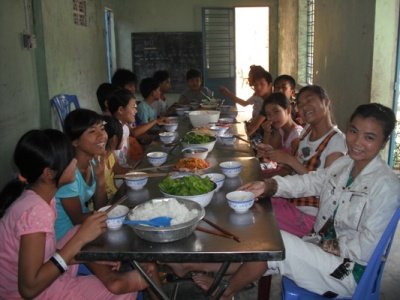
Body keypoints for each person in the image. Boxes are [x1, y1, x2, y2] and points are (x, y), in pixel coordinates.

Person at [167, 103, 400, 299]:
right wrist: (268, 186)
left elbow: (367, 249)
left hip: (348, 271)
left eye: (369, 137)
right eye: (353, 131)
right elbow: (308, 182)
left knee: (275, 244)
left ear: (384, 141)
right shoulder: (343, 165)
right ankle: (191, 268)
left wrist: (322, 247)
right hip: (321, 247)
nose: (357, 142)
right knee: (268, 252)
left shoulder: (386, 186)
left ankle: (225, 292)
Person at [0, 129, 146, 299]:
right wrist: (81, 239)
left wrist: (87, 257)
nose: (76, 162)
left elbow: (44, 253)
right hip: (31, 293)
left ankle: (110, 276)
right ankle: (119, 282)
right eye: (71, 160)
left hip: (38, 278)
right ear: (49, 173)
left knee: (78, 229)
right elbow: (28, 288)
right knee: (126, 291)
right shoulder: (36, 212)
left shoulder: (40, 198)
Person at [257, 85, 347, 236]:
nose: (304, 107)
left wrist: (290, 160)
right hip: (291, 200)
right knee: (252, 201)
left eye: (309, 100)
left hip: (310, 216)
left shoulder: (337, 141)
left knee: (257, 217)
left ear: (326, 102)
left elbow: (326, 186)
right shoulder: (306, 133)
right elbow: (290, 170)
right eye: (300, 104)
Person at [55, 109, 109, 240]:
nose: (102, 136)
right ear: (75, 142)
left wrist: (100, 180)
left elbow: (100, 207)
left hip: (82, 230)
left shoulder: (92, 164)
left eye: (102, 128)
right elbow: (77, 219)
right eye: (92, 131)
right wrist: (114, 214)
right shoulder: (69, 174)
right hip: (64, 238)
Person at [260, 92, 303, 175]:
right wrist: (267, 132)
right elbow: (266, 154)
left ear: (288, 110)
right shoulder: (281, 130)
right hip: (279, 171)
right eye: (268, 114)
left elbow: (290, 170)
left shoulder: (297, 135)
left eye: (276, 111)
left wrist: (264, 178)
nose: (272, 117)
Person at [243, 70, 274, 138]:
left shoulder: (271, 102)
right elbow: (254, 124)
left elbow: (255, 126)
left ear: (270, 85)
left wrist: (244, 137)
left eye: (262, 84)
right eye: (255, 85)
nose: (258, 87)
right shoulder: (259, 97)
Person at [103, 115, 125, 200]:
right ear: (115, 139)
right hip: (110, 201)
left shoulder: (111, 154)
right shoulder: (98, 162)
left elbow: (118, 168)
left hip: (115, 195)